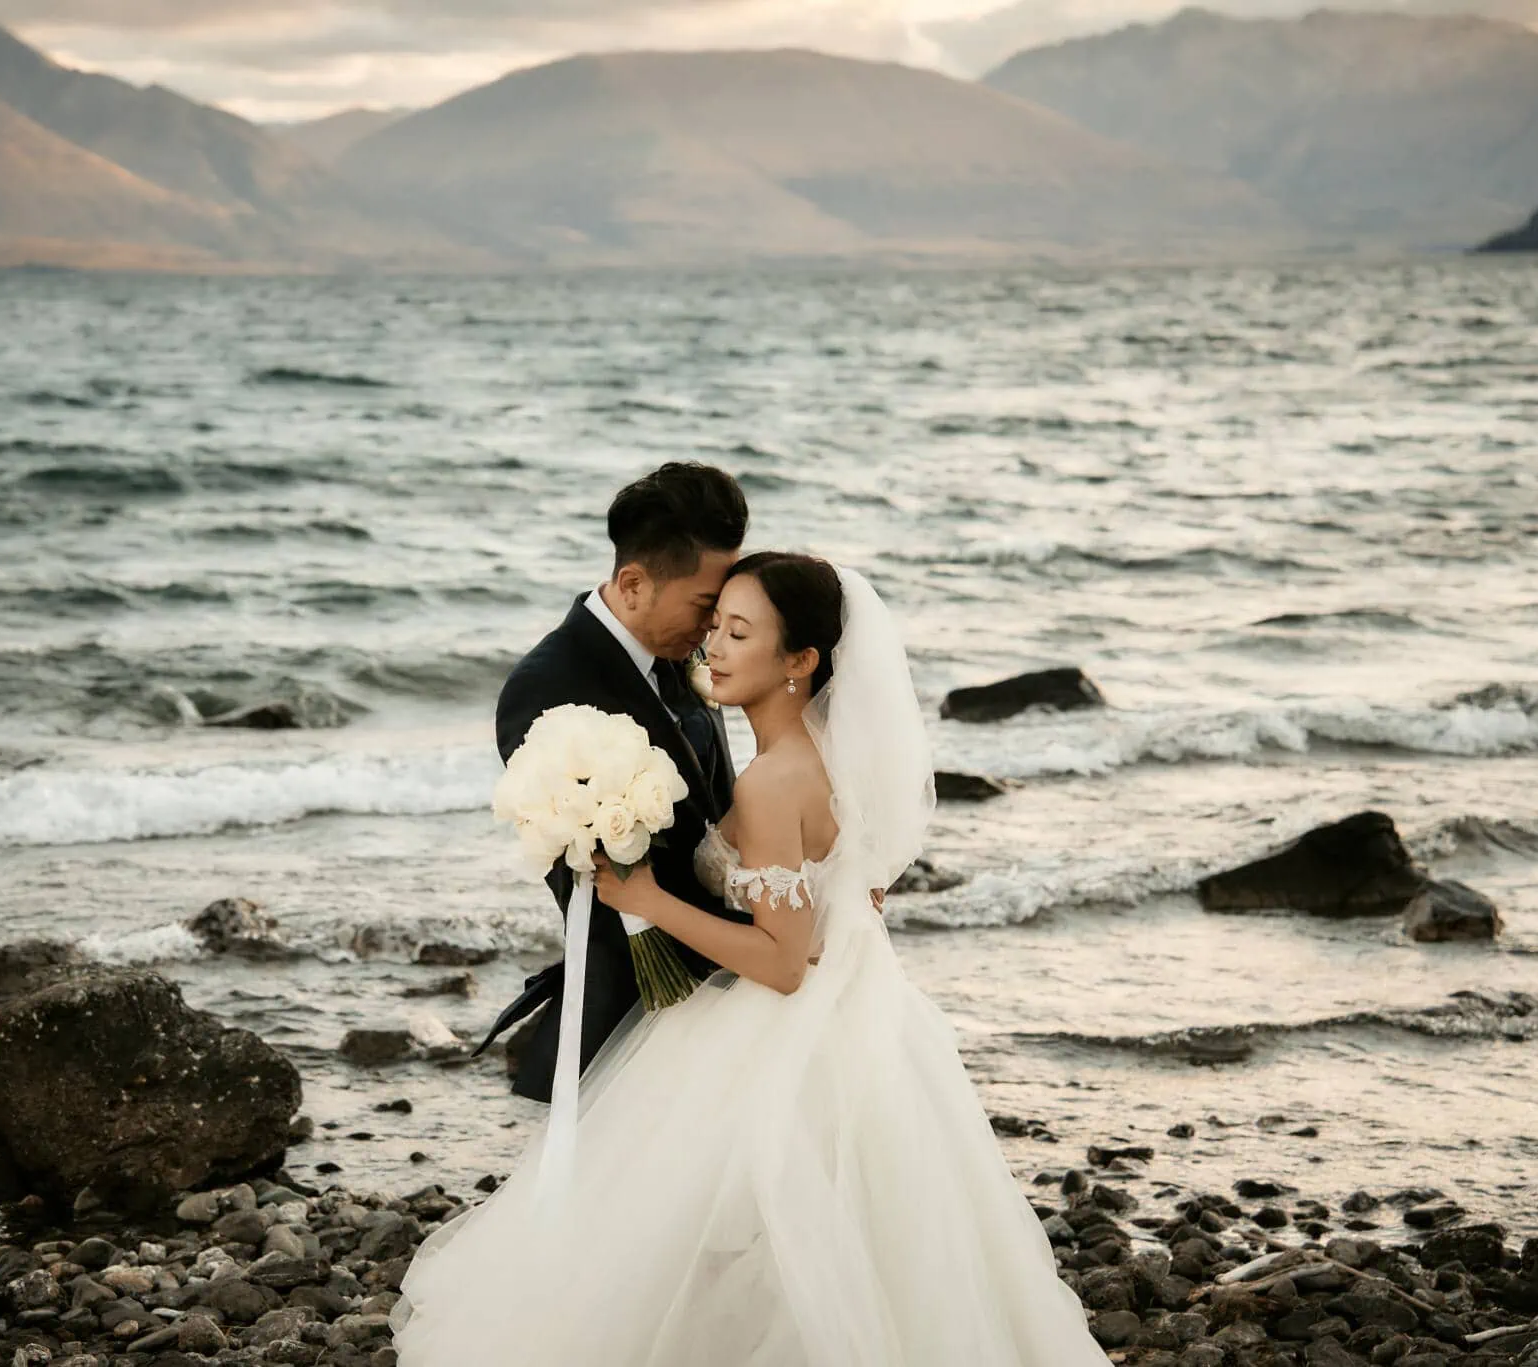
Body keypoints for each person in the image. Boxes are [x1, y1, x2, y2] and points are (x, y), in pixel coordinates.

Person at [394, 552, 1112, 1367]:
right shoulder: (823, 760)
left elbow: (782, 961)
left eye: (740, 633)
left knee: (729, 1225)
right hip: (862, 1010)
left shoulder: (774, 782)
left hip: (790, 1021)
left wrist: (649, 901)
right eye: (714, 627)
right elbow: (849, 895)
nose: (715, 649)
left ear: (801, 661)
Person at [472, 461, 755, 1103]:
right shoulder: (547, 687)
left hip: (723, 968)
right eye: (705, 608)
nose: (713, 630)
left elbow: (717, 807)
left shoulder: (681, 654)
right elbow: (588, 880)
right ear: (632, 583)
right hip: (636, 997)